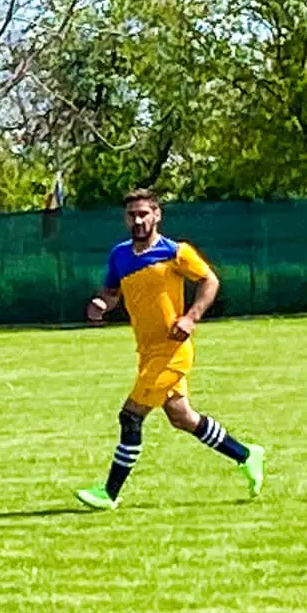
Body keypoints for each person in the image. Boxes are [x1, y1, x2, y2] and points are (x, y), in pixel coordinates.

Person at [77, 190, 266, 510]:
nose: (138, 220)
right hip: (147, 352)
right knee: (181, 417)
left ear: (157, 215)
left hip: (173, 351)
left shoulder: (175, 251)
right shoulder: (119, 255)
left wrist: (191, 317)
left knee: (130, 416)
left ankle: (109, 493)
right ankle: (246, 455)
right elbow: (111, 292)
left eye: (143, 214)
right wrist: (101, 304)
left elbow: (210, 281)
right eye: (132, 215)